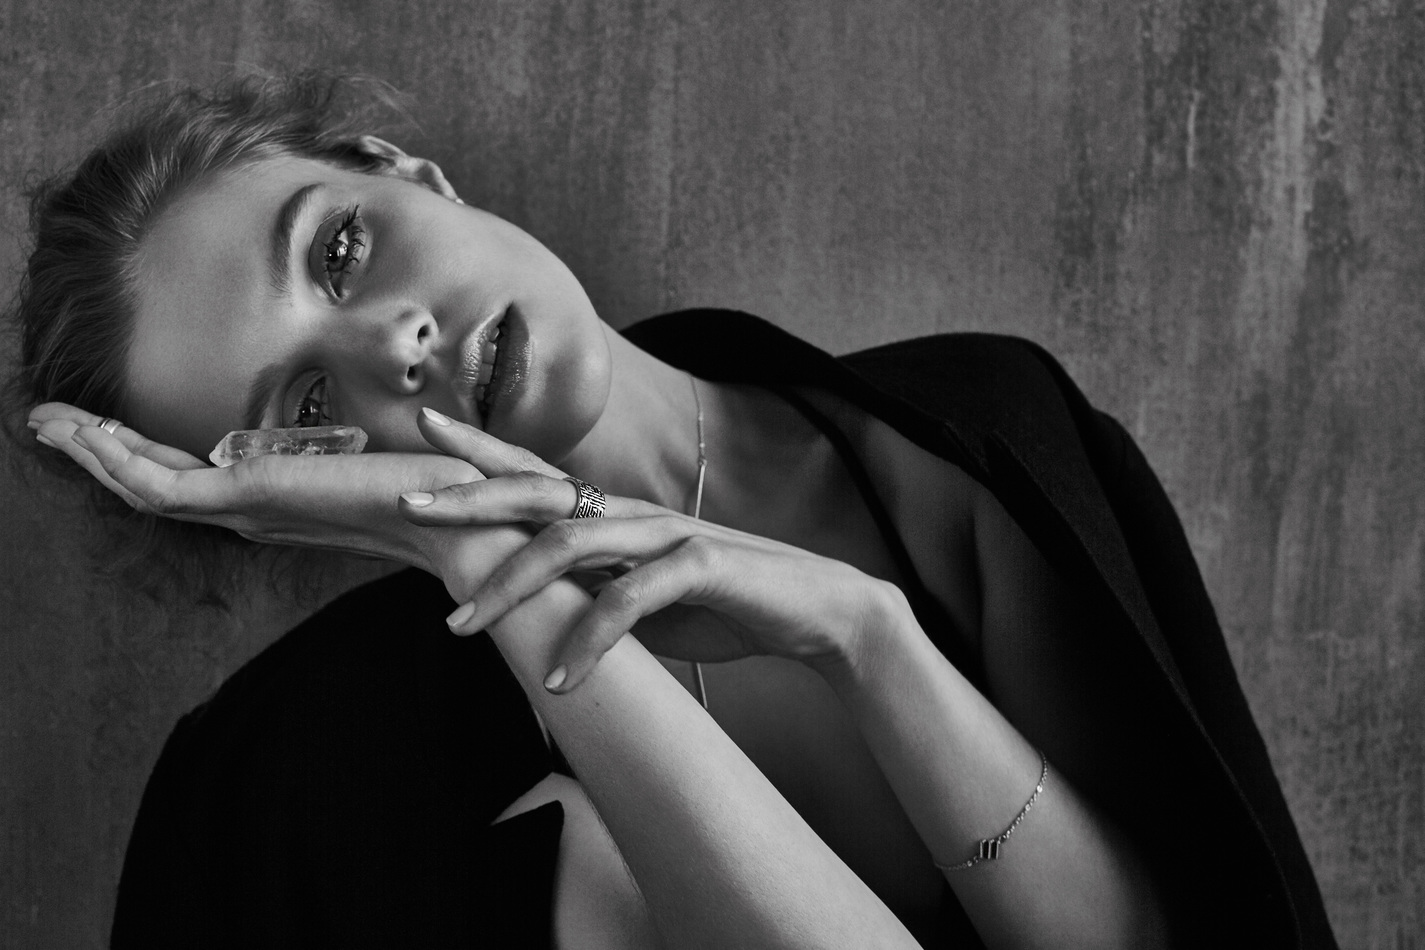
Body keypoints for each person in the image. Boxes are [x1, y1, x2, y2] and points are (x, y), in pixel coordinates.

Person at [12, 73, 1339, 949]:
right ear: (279, 497)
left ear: (402, 169)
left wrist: (869, 639)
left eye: (339, 250)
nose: (395, 345)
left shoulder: (980, 440)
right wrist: (480, 554)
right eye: (306, 406)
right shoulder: (297, 798)